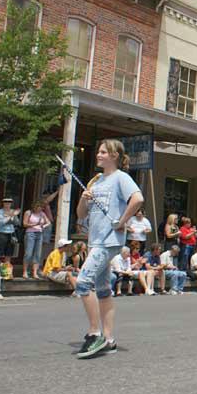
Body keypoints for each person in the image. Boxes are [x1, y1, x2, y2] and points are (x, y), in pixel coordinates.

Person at [74, 138, 144, 359]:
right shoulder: (96, 181)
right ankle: (109, 339)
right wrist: (84, 199)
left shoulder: (121, 178)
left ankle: (95, 334)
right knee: (103, 289)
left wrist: (122, 220)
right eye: (98, 151)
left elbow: (138, 198)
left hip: (109, 240)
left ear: (114, 156)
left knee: (83, 282)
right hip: (95, 240)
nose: (98, 155)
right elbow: (80, 214)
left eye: (103, 152)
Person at [22, 200, 51, 280]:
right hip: (30, 233)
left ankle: (34, 272)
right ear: (34, 207)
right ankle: (25, 271)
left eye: (41, 208)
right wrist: (33, 225)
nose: (39, 209)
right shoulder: (28, 212)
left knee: (37, 254)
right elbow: (24, 223)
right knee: (28, 253)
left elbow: (48, 222)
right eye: (38, 207)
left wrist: (43, 226)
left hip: (39, 233)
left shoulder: (42, 214)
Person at [0, 198, 20, 262]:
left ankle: (6, 271)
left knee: (9, 253)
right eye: (6, 202)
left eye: (9, 202)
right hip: (1, 234)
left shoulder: (13, 211)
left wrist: (13, 216)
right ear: (3, 203)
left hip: (11, 234)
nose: (7, 203)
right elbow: (2, 222)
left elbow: (17, 223)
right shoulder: (0, 211)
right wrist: (11, 215)